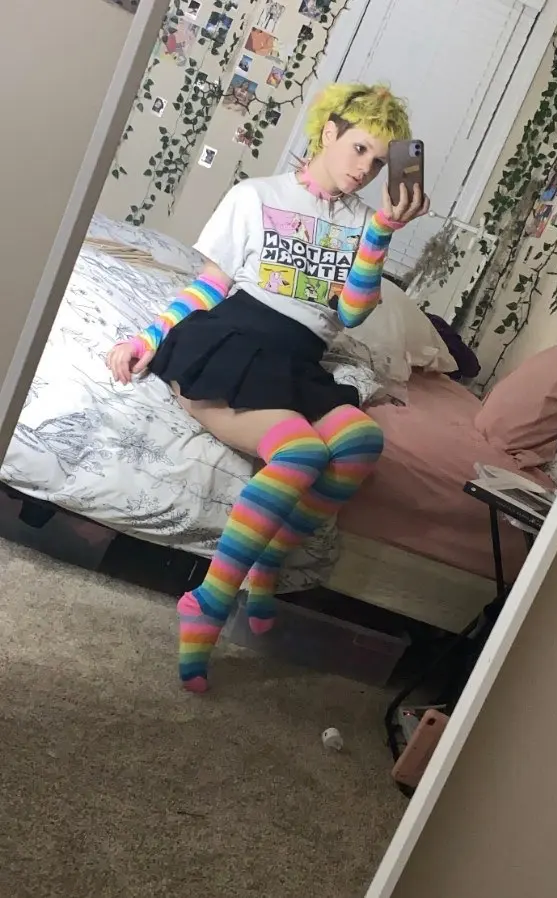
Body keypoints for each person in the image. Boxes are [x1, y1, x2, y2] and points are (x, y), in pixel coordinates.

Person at [106, 82, 429, 692]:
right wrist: (147, 337)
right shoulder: (255, 196)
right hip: (233, 341)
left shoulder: (366, 223)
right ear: (329, 132)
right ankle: (208, 602)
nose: (365, 170)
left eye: (377, 161)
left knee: (360, 442)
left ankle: (267, 561)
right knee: (301, 454)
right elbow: (209, 286)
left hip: (298, 358)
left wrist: (384, 230)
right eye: (359, 149)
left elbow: (352, 313)